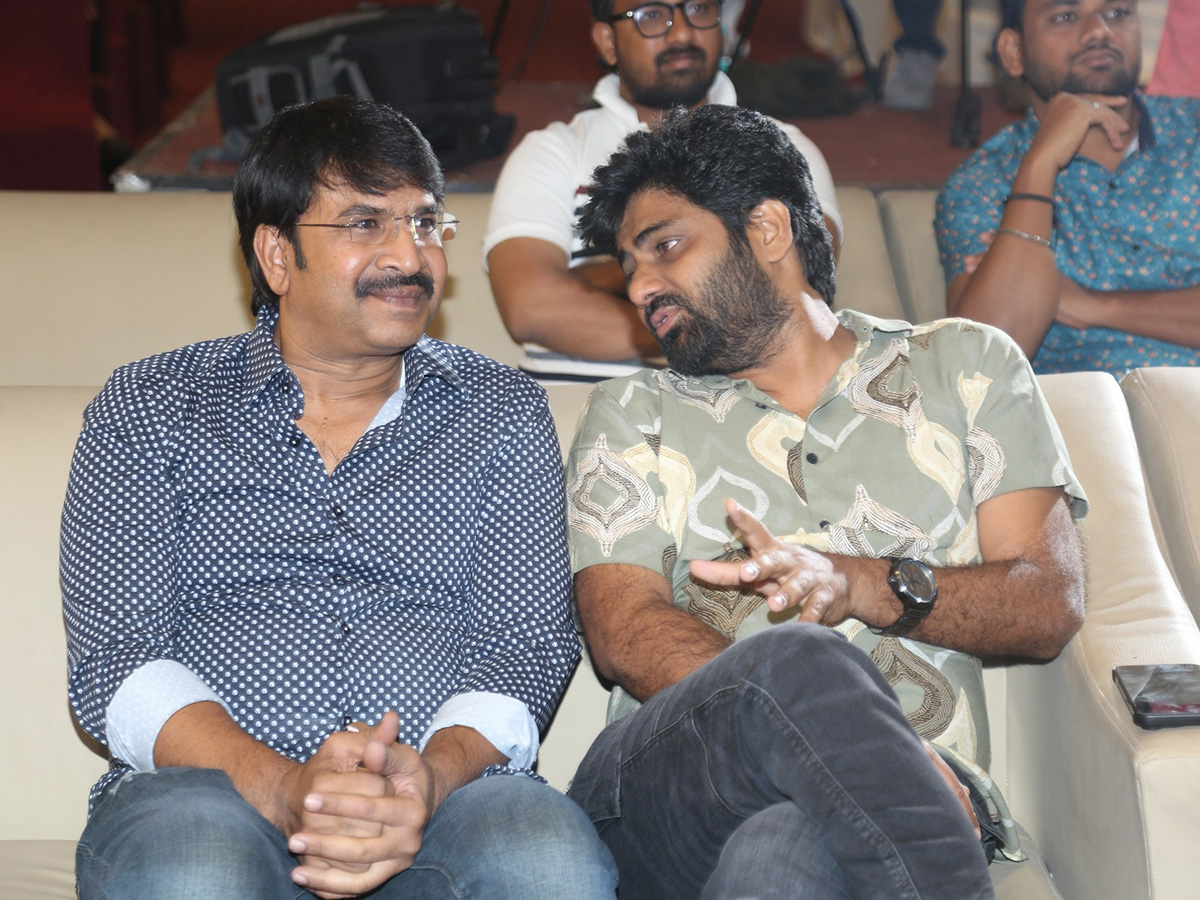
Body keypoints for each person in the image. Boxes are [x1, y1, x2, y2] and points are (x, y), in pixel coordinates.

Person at [62, 96, 617, 900]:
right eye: (365, 224)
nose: (411, 256)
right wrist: (284, 786)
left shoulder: (500, 412)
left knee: (544, 863)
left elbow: (523, 644)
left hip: (447, 800)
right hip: (208, 796)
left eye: (425, 222)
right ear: (277, 255)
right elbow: (118, 657)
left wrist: (428, 778)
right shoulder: (152, 406)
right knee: (194, 871)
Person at [564, 103, 1088, 898]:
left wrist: (859, 583)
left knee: (784, 846)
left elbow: (1047, 600)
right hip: (666, 797)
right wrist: (856, 746)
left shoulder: (966, 368)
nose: (639, 286)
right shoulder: (633, 414)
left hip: (860, 830)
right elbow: (623, 633)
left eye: (664, 246)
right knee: (802, 659)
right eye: (627, 264)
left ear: (768, 229)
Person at [483, 0, 841, 384]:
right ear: (607, 41)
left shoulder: (783, 146)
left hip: (746, 410)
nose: (683, 32)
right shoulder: (552, 151)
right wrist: (696, 318)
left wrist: (594, 276)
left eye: (699, 8)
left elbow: (800, 282)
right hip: (571, 408)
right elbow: (531, 310)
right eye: (651, 15)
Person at [935, 0, 1200, 375]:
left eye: (1117, 13)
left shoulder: (1193, 133)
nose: (1099, 31)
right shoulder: (983, 183)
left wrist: (1091, 305)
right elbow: (980, 364)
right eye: (1065, 17)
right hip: (1082, 408)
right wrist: (1040, 165)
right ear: (1014, 52)